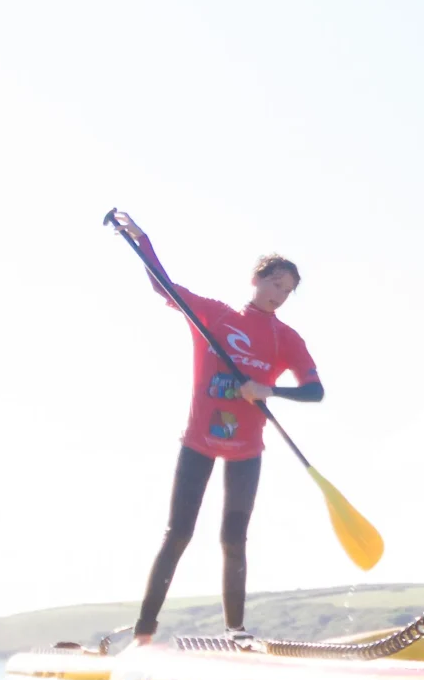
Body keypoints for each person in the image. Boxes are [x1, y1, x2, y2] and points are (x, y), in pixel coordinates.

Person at [119, 219, 324, 643]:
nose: (280, 296)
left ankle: (236, 633)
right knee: (178, 534)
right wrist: (142, 241)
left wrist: (268, 390)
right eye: (276, 285)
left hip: (246, 451)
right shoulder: (214, 315)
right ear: (257, 279)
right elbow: (164, 286)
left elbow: (315, 391)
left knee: (234, 540)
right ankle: (143, 634)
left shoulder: (286, 338)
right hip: (198, 442)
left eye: (288, 291)